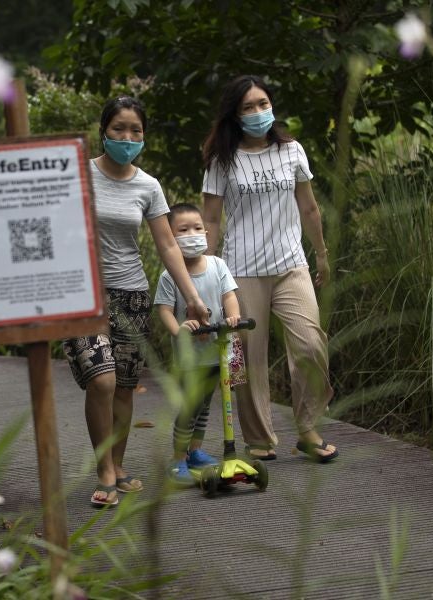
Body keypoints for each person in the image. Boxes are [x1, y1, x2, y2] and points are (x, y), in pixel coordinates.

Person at [63, 97, 210, 507]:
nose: (127, 138)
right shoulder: (77, 173)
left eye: (136, 131)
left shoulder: (148, 186)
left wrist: (193, 297)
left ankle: (119, 463)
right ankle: (104, 468)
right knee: (103, 379)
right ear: (103, 131)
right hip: (84, 294)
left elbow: (167, 245)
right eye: (118, 129)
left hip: (131, 294)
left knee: (125, 387)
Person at [201, 75, 339, 463]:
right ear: (235, 114)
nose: (258, 112)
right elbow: (210, 220)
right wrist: (208, 273)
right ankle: (259, 439)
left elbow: (309, 208)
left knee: (311, 344)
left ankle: (308, 428)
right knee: (247, 357)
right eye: (248, 107)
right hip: (241, 270)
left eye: (263, 104)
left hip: (290, 264)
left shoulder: (292, 151)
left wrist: (322, 254)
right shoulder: (221, 160)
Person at [153, 203, 241, 485]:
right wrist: (178, 330)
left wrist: (233, 315)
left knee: (205, 406)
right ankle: (178, 457)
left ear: (205, 231)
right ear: (172, 237)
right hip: (190, 358)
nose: (192, 234)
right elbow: (164, 310)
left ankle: (195, 450)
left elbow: (228, 295)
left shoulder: (217, 265)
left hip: (217, 352)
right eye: (183, 230)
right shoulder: (170, 275)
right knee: (190, 406)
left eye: (196, 228)